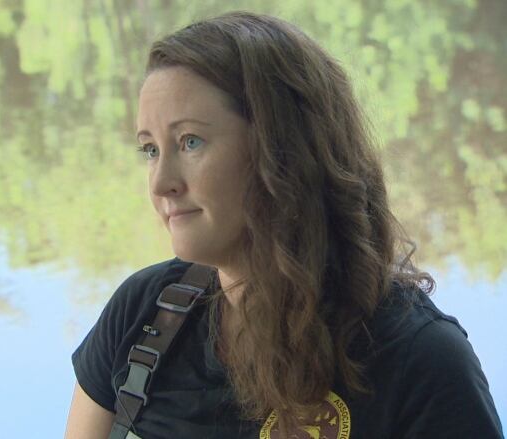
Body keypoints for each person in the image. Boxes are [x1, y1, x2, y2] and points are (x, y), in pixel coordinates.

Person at [64, 11, 503, 439]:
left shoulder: (419, 360)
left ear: (283, 149)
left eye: (189, 141)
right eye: (150, 150)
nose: (161, 183)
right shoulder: (141, 315)